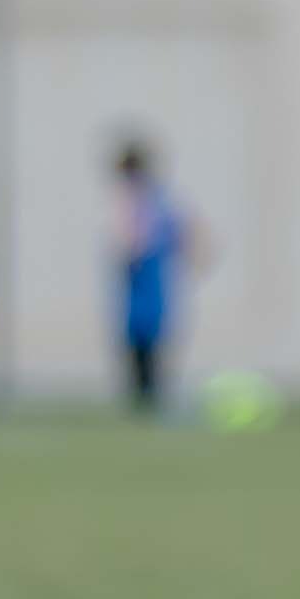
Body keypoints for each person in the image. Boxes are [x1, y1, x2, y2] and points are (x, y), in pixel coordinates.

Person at [107, 133, 203, 416]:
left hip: (146, 281)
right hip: (146, 282)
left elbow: (134, 241)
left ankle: (148, 401)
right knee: (143, 343)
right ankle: (146, 399)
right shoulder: (154, 198)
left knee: (146, 343)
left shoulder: (143, 200)